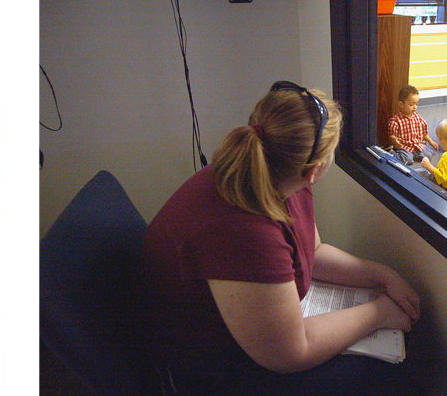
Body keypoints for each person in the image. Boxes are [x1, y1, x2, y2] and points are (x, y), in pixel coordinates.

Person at [138, 81, 420, 394]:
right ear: (313, 170)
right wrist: (378, 313)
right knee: (387, 370)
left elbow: (312, 252)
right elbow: (291, 352)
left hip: (245, 336)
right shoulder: (243, 229)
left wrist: (381, 275)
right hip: (206, 364)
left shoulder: (276, 174)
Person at [388, 85, 437, 166]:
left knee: (428, 155)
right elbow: (391, 135)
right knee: (408, 160)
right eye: (411, 104)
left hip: (417, 145)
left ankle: (415, 155)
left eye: (416, 104)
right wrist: (394, 139)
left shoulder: (418, 118)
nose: (414, 107)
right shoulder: (396, 120)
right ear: (401, 104)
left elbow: (424, 133)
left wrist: (431, 141)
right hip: (405, 146)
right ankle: (392, 153)